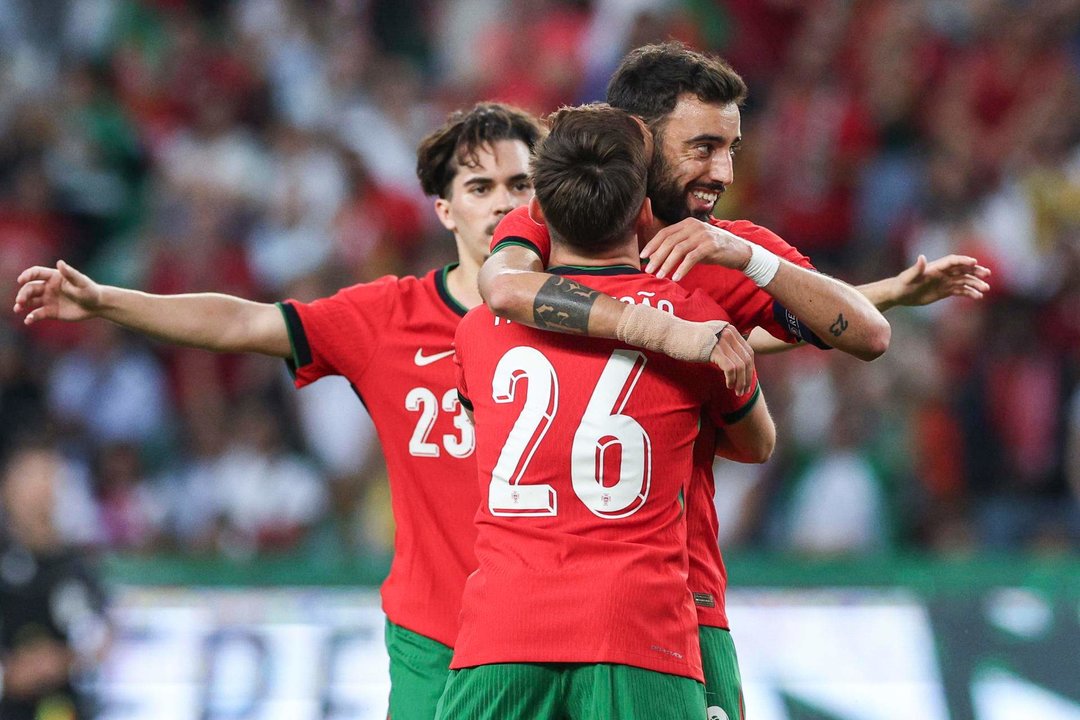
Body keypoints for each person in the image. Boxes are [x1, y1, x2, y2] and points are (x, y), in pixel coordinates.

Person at [476, 42, 992, 719]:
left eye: (732, 149)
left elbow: (864, 335)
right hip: (586, 600)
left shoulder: (727, 250)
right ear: (639, 137)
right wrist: (671, 329)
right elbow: (505, 288)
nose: (721, 170)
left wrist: (749, 258)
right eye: (702, 147)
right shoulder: (564, 217)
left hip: (674, 600)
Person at [13, 102, 545, 719]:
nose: (503, 203)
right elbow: (243, 320)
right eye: (480, 186)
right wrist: (108, 301)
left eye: (520, 184)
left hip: (553, 632)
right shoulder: (387, 317)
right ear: (446, 209)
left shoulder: (589, 312)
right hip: (438, 640)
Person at [444, 103, 775, 719]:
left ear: (538, 210)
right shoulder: (697, 321)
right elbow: (757, 444)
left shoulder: (478, 331)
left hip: (502, 632)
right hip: (638, 629)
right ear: (646, 211)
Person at [0, 442, 111, 720]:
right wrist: (9, 673)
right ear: (6, 488)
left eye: (48, 477)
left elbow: (100, 635)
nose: (41, 490)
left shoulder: (74, 566)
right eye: (30, 477)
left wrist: (63, 661)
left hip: (69, 707)